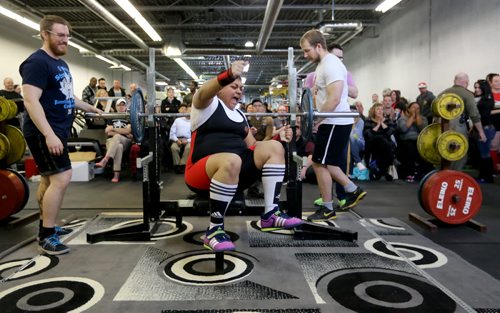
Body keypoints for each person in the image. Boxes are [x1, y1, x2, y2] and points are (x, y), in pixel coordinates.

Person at [185, 60, 303, 252]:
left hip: (235, 171)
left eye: (241, 88)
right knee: (231, 159)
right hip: (201, 172)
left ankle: (270, 215)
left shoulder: (240, 115)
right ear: (221, 88)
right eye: (234, 86)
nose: (239, 91)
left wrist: (278, 136)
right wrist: (227, 74)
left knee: (273, 147)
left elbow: (254, 146)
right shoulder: (206, 106)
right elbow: (202, 93)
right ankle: (214, 230)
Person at [20, 15, 102, 255]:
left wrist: (90, 108)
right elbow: (30, 100)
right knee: (62, 177)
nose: (66, 40)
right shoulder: (37, 63)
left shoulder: (60, 64)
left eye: (68, 36)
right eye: (61, 35)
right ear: (45, 34)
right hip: (44, 131)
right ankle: (46, 235)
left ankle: (49, 225)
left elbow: (68, 96)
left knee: (49, 179)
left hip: (58, 129)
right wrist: (49, 134)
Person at [300, 29, 366, 222]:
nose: (305, 55)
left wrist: (315, 121)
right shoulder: (323, 65)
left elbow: (335, 98)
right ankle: (352, 190)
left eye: (307, 50)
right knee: (326, 163)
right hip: (332, 121)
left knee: (320, 163)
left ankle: (329, 207)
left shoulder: (331, 65)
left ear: (318, 46)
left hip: (334, 121)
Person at [437, 72, 486, 170]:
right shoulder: (467, 94)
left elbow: (434, 111)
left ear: (454, 81)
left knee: (443, 150)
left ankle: (442, 177)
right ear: (467, 82)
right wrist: (481, 132)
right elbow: (474, 115)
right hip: (457, 125)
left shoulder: (443, 93)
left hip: (440, 124)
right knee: (459, 152)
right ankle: (454, 177)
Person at [95, 98, 132, 182]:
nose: (121, 107)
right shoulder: (111, 117)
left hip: (125, 140)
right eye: (119, 105)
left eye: (123, 105)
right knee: (118, 146)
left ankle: (105, 159)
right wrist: (122, 131)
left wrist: (113, 128)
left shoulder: (128, 116)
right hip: (112, 141)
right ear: (116, 107)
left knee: (118, 137)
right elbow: (108, 132)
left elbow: (128, 131)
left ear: (126, 106)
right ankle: (116, 174)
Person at [363, 103, 397, 181]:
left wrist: (382, 123)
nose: (380, 111)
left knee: (382, 141)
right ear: (373, 111)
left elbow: (390, 132)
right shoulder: (368, 121)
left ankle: (380, 171)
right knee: (379, 138)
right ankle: (390, 161)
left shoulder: (388, 120)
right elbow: (368, 135)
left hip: (385, 146)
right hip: (372, 144)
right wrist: (378, 125)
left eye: (381, 109)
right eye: (378, 109)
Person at [169, 104, 191, 174]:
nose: (190, 112)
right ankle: (177, 165)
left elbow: (195, 135)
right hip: (177, 139)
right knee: (173, 147)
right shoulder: (178, 120)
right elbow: (172, 133)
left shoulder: (194, 122)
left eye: (192, 111)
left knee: (189, 147)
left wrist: (187, 140)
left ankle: (182, 164)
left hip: (188, 140)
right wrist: (176, 140)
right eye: (189, 110)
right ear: (186, 111)